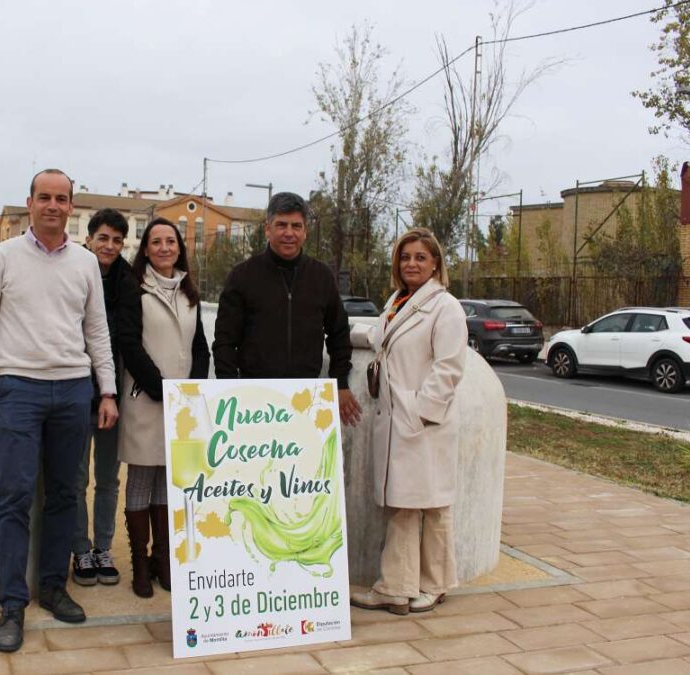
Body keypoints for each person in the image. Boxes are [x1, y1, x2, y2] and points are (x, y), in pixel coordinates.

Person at [0, 169, 118, 653]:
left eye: (62, 198)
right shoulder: (2, 257)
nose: (53, 205)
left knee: (67, 494)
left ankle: (52, 587)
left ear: (72, 208)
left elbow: (97, 332)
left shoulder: (86, 263)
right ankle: (12, 604)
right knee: (14, 495)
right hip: (20, 390)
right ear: (29, 203)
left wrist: (106, 391)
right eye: (44, 197)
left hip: (73, 390)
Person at [350, 227, 466, 616]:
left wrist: (421, 412)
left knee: (433, 503)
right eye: (405, 257)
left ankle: (435, 585)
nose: (411, 263)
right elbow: (382, 335)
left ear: (435, 264)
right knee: (403, 503)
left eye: (420, 257)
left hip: (423, 424)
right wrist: (344, 332)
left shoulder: (445, 307)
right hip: (398, 420)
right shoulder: (399, 300)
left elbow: (449, 367)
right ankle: (396, 587)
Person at [117, 217, 209, 598]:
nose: (164, 247)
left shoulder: (189, 292)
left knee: (168, 481)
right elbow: (129, 342)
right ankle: (139, 563)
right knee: (141, 478)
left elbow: (200, 344)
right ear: (146, 248)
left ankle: (162, 560)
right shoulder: (134, 288)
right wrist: (160, 387)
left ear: (179, 247)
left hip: (181, 402)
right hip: (147, 397)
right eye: (156, 242)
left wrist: (194, 386)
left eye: (170, 241)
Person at [213, 191, 361, 426]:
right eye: (281, 225)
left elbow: (339, 335)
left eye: (296, 226)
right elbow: (224, 342)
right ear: (267, 228)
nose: (289, 233)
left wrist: (340, 383)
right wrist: (232, 389)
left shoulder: (321, 277)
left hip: (307, 399)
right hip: (253, 400)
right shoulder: (242, 276)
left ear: (305, 231)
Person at [71, 208, 131, 588]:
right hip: (76, 391)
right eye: (103, 238)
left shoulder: (131, 282)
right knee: (76, 479)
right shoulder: (73, 271)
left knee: (108, 478)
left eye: (117, 240)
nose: (109, 246)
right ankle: (80, 549)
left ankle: (103, 547)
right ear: (89, 238)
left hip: (114, 395)